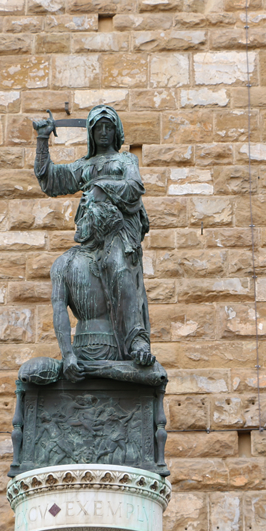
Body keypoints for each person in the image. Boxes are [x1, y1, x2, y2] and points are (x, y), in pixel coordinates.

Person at [33, 106, 155, 376]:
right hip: (91, 230)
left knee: (119, 266)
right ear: (90, 132)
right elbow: (52, 180)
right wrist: (42, 141)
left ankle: (136, 339)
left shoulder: (125, 161)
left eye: (108, 127)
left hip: (119, 231)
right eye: (98, 128)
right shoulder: (84, 166)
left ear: (116, 131)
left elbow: (135, 187)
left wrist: (102, 188)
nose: (103, 133)